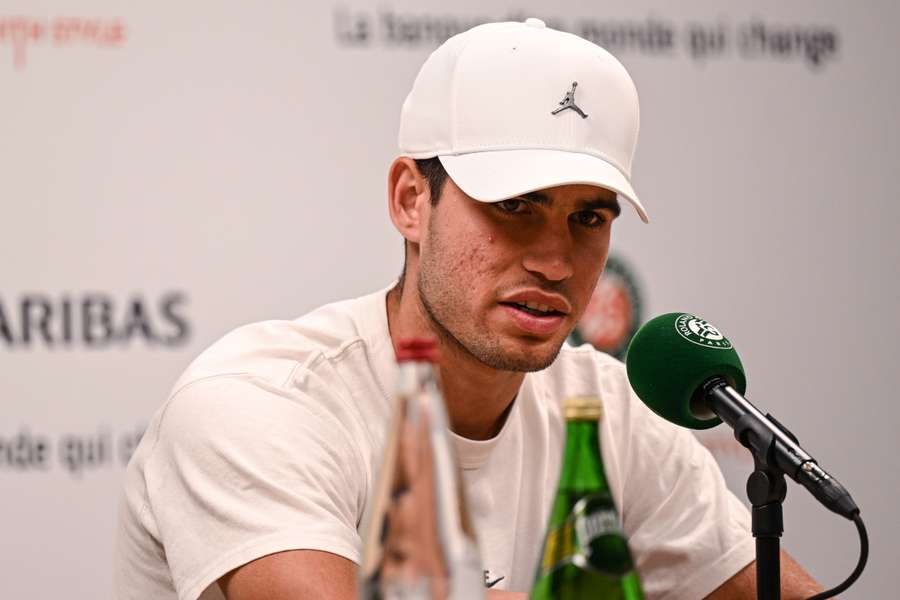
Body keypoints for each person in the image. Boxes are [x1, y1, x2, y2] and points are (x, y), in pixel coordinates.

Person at [115, 18, 823, 599]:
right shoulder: (260, 401)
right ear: (410, 201)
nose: (554, 261)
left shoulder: (605, 410)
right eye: (514, 207)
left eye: (589, 218)